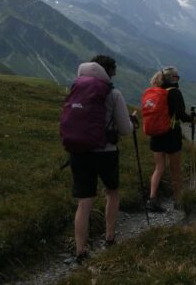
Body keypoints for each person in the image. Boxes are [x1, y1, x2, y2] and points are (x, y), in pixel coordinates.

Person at [67, 55, 135, 265]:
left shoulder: (75, 88)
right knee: (112, 192)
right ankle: (110, 237)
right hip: (106, 152)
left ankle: (80, 250)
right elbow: (125, 129)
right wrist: (133, 123)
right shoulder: (113, 93)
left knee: (84, 201)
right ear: (109, 72)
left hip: (79, 151)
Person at [144, 66, 190, 212]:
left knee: (159, 167)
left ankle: (152, 199)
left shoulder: (157, 92)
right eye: (176, 77)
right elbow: (181, 115)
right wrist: (192, 119)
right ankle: (178, 200)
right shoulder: (175, 92)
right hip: (172, 135)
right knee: (175, 169)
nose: (177, 79)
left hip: (156, 135)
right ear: (172, 78)